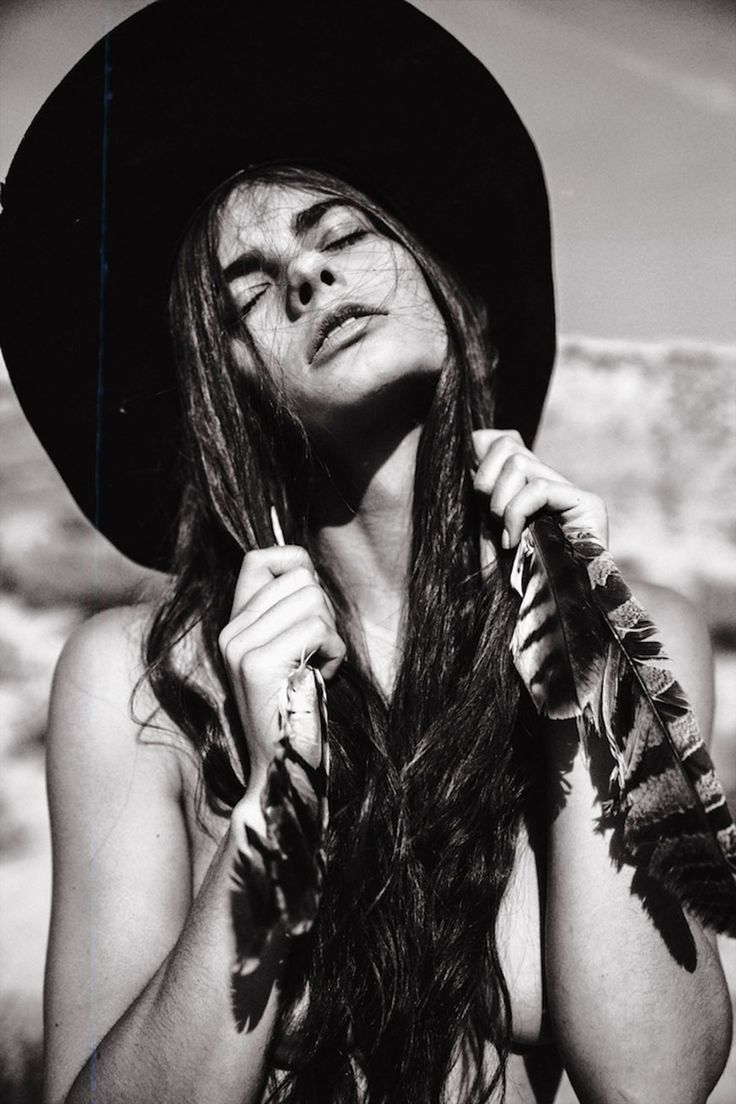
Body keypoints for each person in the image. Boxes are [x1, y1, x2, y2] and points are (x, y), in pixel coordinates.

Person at [0, 3, 731, 1103]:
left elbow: (649, 1085)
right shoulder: (142, 684)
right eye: (250, 288)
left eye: (341, 236)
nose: (306, 277)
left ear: (448, 282)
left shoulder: (639, 630)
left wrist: (587, 689)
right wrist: (272, 808)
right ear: (231, 381)